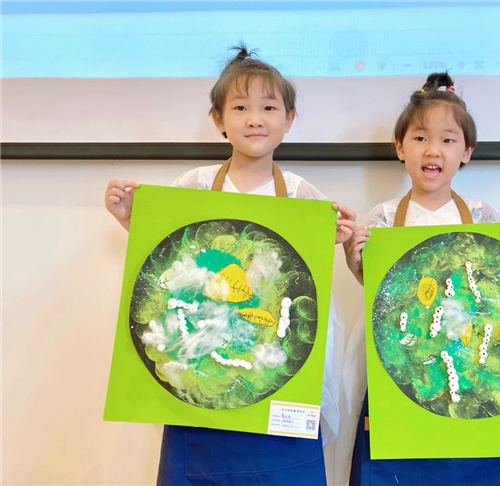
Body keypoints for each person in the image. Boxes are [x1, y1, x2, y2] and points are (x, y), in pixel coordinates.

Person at [105, 46, 355, 486]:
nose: (254, 119)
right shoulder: (195, 185)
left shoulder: (302, 194)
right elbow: (166, 259)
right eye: (240, 108)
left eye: (268, 108)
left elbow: (309, 272)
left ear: (289, 119)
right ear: (218, 119)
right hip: (204, 362)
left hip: (274, 362)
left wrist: (337, 235)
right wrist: (131, 220)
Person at [342, 72, 500, 485]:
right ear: (400, 147)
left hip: (473, 362)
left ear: (467, 152)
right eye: (420, 138)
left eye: (448, 139)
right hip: (409, 363)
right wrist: (354, 259)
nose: (433, 150)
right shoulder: (383, 217)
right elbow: (377, 290)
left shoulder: (482, 215)